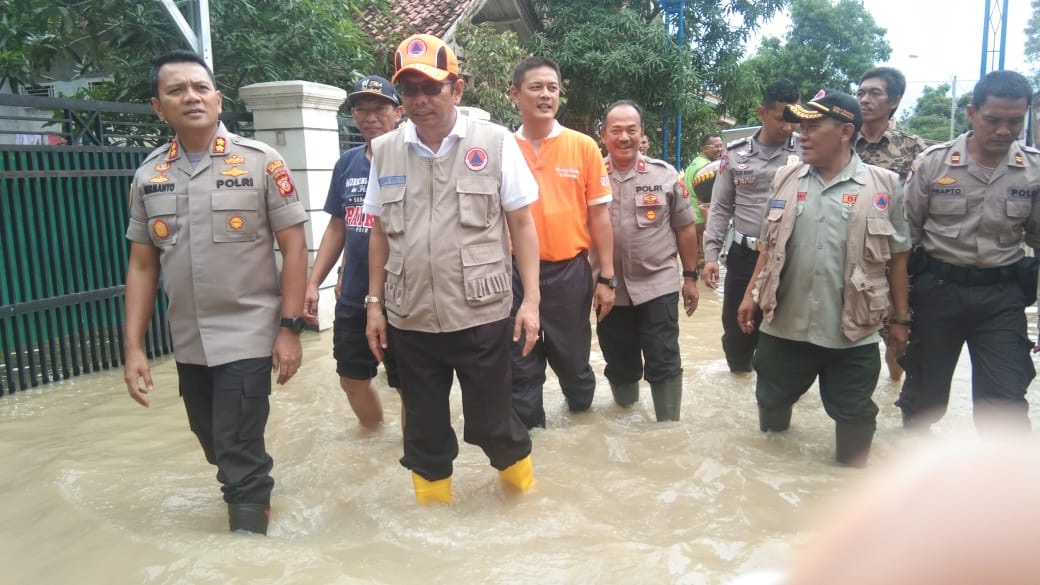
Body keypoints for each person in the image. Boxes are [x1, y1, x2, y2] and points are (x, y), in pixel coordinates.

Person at [122, 50, 309, 535]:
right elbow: (142, 265)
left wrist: (289, 329)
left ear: (218, 99)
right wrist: (134, 347)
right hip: (189, 339)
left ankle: (247, 549)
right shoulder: (148, 176)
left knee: (237, 452)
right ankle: (254, 481)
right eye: (176, 90)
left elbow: (294, 247)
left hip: (248, 334)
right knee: (215, 443)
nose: (191, 97)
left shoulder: (262, 162)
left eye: (200, 88)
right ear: (159, 107)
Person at [363, 34, 540, 504]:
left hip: (480, 314)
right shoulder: (384, 151)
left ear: (456, 90)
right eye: (410, 90)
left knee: (494, 426)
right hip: (410, 318)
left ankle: (524, 504)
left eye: (431, 88)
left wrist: (533, 304)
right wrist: (373, 305)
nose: (420, 101)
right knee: (422, 434)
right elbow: (378, 232)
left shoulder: (496, 143)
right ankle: (432, 527)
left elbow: (522, 224)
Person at [736, 89, 911, 467]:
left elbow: (898, 259)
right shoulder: (785, 178)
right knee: (771, 420)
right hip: (784, 327)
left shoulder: (884, 186)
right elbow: (768, 247)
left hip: (852, 333)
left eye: (813, 127)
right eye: (801, 127)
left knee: (855, 426)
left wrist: (900, 319)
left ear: (846, 131)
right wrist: (750, 294)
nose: (802, 134)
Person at [897, 70, 1040, 433]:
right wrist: (896, 312)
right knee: (923, 403)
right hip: (938, 292)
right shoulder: (934, 163)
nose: (1004, 130)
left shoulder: (1034, 171)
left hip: (1002, 298)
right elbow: (901, 241)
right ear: (971, 112)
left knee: (1005, 406)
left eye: (1015, 121)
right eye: (993, 120)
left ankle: (1003, 485)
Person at [507, 56, 615, 429]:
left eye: (552, 88)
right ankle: (533, 444)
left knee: (572, 364)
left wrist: (606, 279)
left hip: (569, 272)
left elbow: (600, 216)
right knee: (520, 364)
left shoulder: (583, 147)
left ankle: (582, 418)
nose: (546, 95)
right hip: (513, 275)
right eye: (536, 87)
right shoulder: (501, 148)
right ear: (515, 94)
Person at [303, 75, 403, 429]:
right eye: (362, 110)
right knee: (351, 378)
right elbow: (337, 226)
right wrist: (313, 282)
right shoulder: (347, 163)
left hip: (404, 296)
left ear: (398, 113)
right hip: (354, 294)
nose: (370, 118)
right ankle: (375, 438)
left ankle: (413, 453)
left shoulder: (413, 158)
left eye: (380, 109)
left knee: (410, 385)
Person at [597, 100, 700, 421]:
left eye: (632, 130)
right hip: (609, 289)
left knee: (664, 358)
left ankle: (667, 433)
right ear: (603, 135)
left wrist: (690, 277)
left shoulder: (665, 176)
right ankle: (626, 422)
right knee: (619, 362)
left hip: (658, 285)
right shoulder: (591, 176)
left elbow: (685, 229)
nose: (624, 137)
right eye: (616, 130)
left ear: (642, 135)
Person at [701, 79, 801, 373]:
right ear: (762, 112)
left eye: (794, 120)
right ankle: (740, 387)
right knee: (736, 334)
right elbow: (719, 208)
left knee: (786, 335)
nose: (788, 128)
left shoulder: (807, 153)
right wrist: (710, 256)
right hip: (744, 255)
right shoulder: (734, 154)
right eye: (781, 119)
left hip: (791, 258)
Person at [855, 67, 929, 382]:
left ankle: (893, 394)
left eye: (875, 93)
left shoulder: (913, 148)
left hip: (896, 258)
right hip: (853, 254)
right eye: (861, 93)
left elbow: (924, 204)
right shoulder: (844, 141)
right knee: (849, 335)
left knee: (898, 337)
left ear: (894, 101)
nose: (865, 100)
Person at [683, 133, 723, 268]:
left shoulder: (694, 163)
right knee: (704, 262)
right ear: (705, 148)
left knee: (694, 259)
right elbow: (705, 201)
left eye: (721, 146)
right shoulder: (707, 169)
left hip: (691, 217)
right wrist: (709, 224)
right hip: (701, 220)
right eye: (716, 146)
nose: (720, 149)